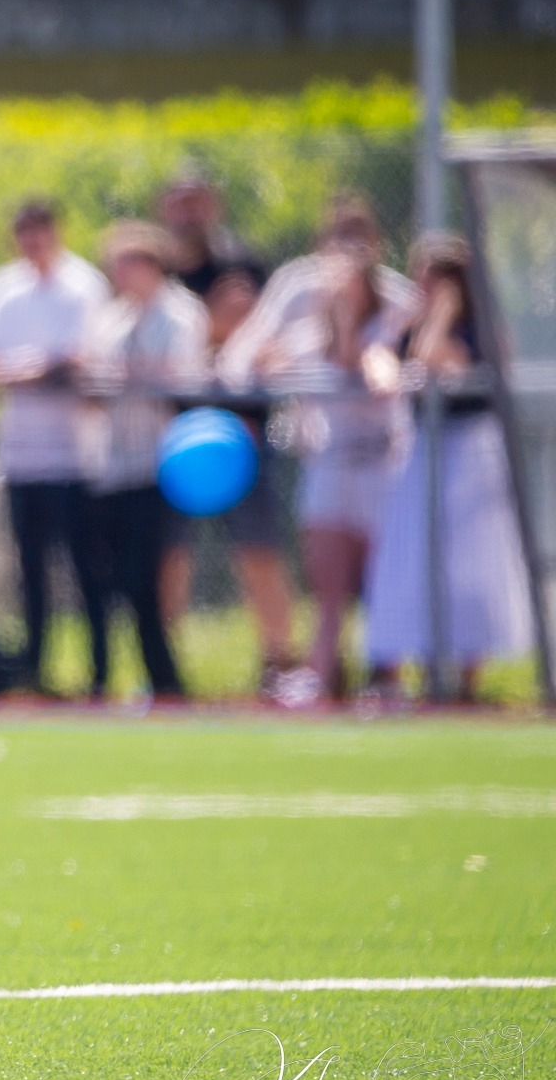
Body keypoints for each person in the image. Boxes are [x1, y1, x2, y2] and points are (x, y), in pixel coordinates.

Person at [221, 195, 417, 703]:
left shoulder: (395, 304)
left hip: (383, 459)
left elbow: (379, 371)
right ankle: (325, 672)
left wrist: (351, 322)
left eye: (359, 237)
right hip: (327, 458)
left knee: (380, 577)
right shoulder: (301, 305)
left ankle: (386, 676)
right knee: (328, 582)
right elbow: (242, 363)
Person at [363, 233, 531, 702]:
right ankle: (422, 672)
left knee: (471, 567)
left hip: (472, 454)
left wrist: (443, 314)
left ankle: (467, 681)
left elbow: (437, 356)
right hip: (425, 453)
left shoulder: (481, 330)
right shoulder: (407, 324)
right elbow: (383, 365)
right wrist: (396, 339)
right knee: (415, 561)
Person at [155, 173, 297, 690]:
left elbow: (260, 337)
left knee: (259, 550)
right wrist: (212, 327)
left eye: (196, 204)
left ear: (214, 205)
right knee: (169, 556)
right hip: (176, 442)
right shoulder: (159, 274)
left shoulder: (244, 264)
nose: (188, 215)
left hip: (242, 437)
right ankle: (162, 670)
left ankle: (280, 663)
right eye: (178, 204)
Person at [0, 200, 111, 695]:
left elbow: (75, 361)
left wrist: (29, 369)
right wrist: (35, 369)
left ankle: (100, 673)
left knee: (87, 568)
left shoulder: (84, 285)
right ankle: (37, 671)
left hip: (75, 457)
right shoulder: (2, 290)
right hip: (21, 457)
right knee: (30, 573)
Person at [79, 221, 207, 701]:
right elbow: (95, 380)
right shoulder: (110, 319)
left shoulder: (178, 313)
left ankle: (165, 678)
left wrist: (127, 375)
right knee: (116, 579)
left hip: (160, 464)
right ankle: (132, 675)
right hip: (114, 467)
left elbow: (181, 375)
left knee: (148, 577)